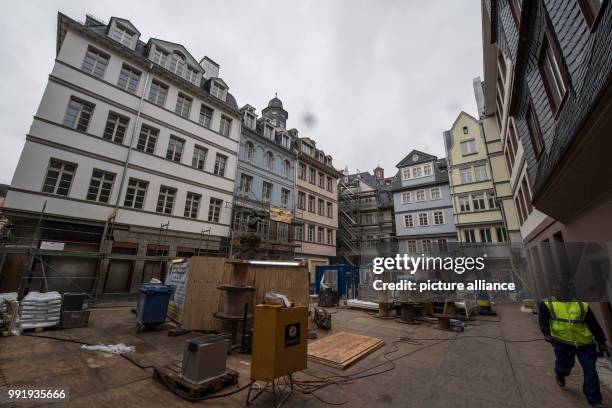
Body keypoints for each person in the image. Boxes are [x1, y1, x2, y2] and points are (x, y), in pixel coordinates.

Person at [539, 291, 608, 408]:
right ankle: (560, 373)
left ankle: (595, 400)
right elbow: (543, 319)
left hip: (584, 344)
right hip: (563, 342)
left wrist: (601, 341)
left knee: (590, 370)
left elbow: (593, 324)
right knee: (564, 367)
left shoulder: (581, 305)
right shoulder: (548, 303)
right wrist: (546, 333)